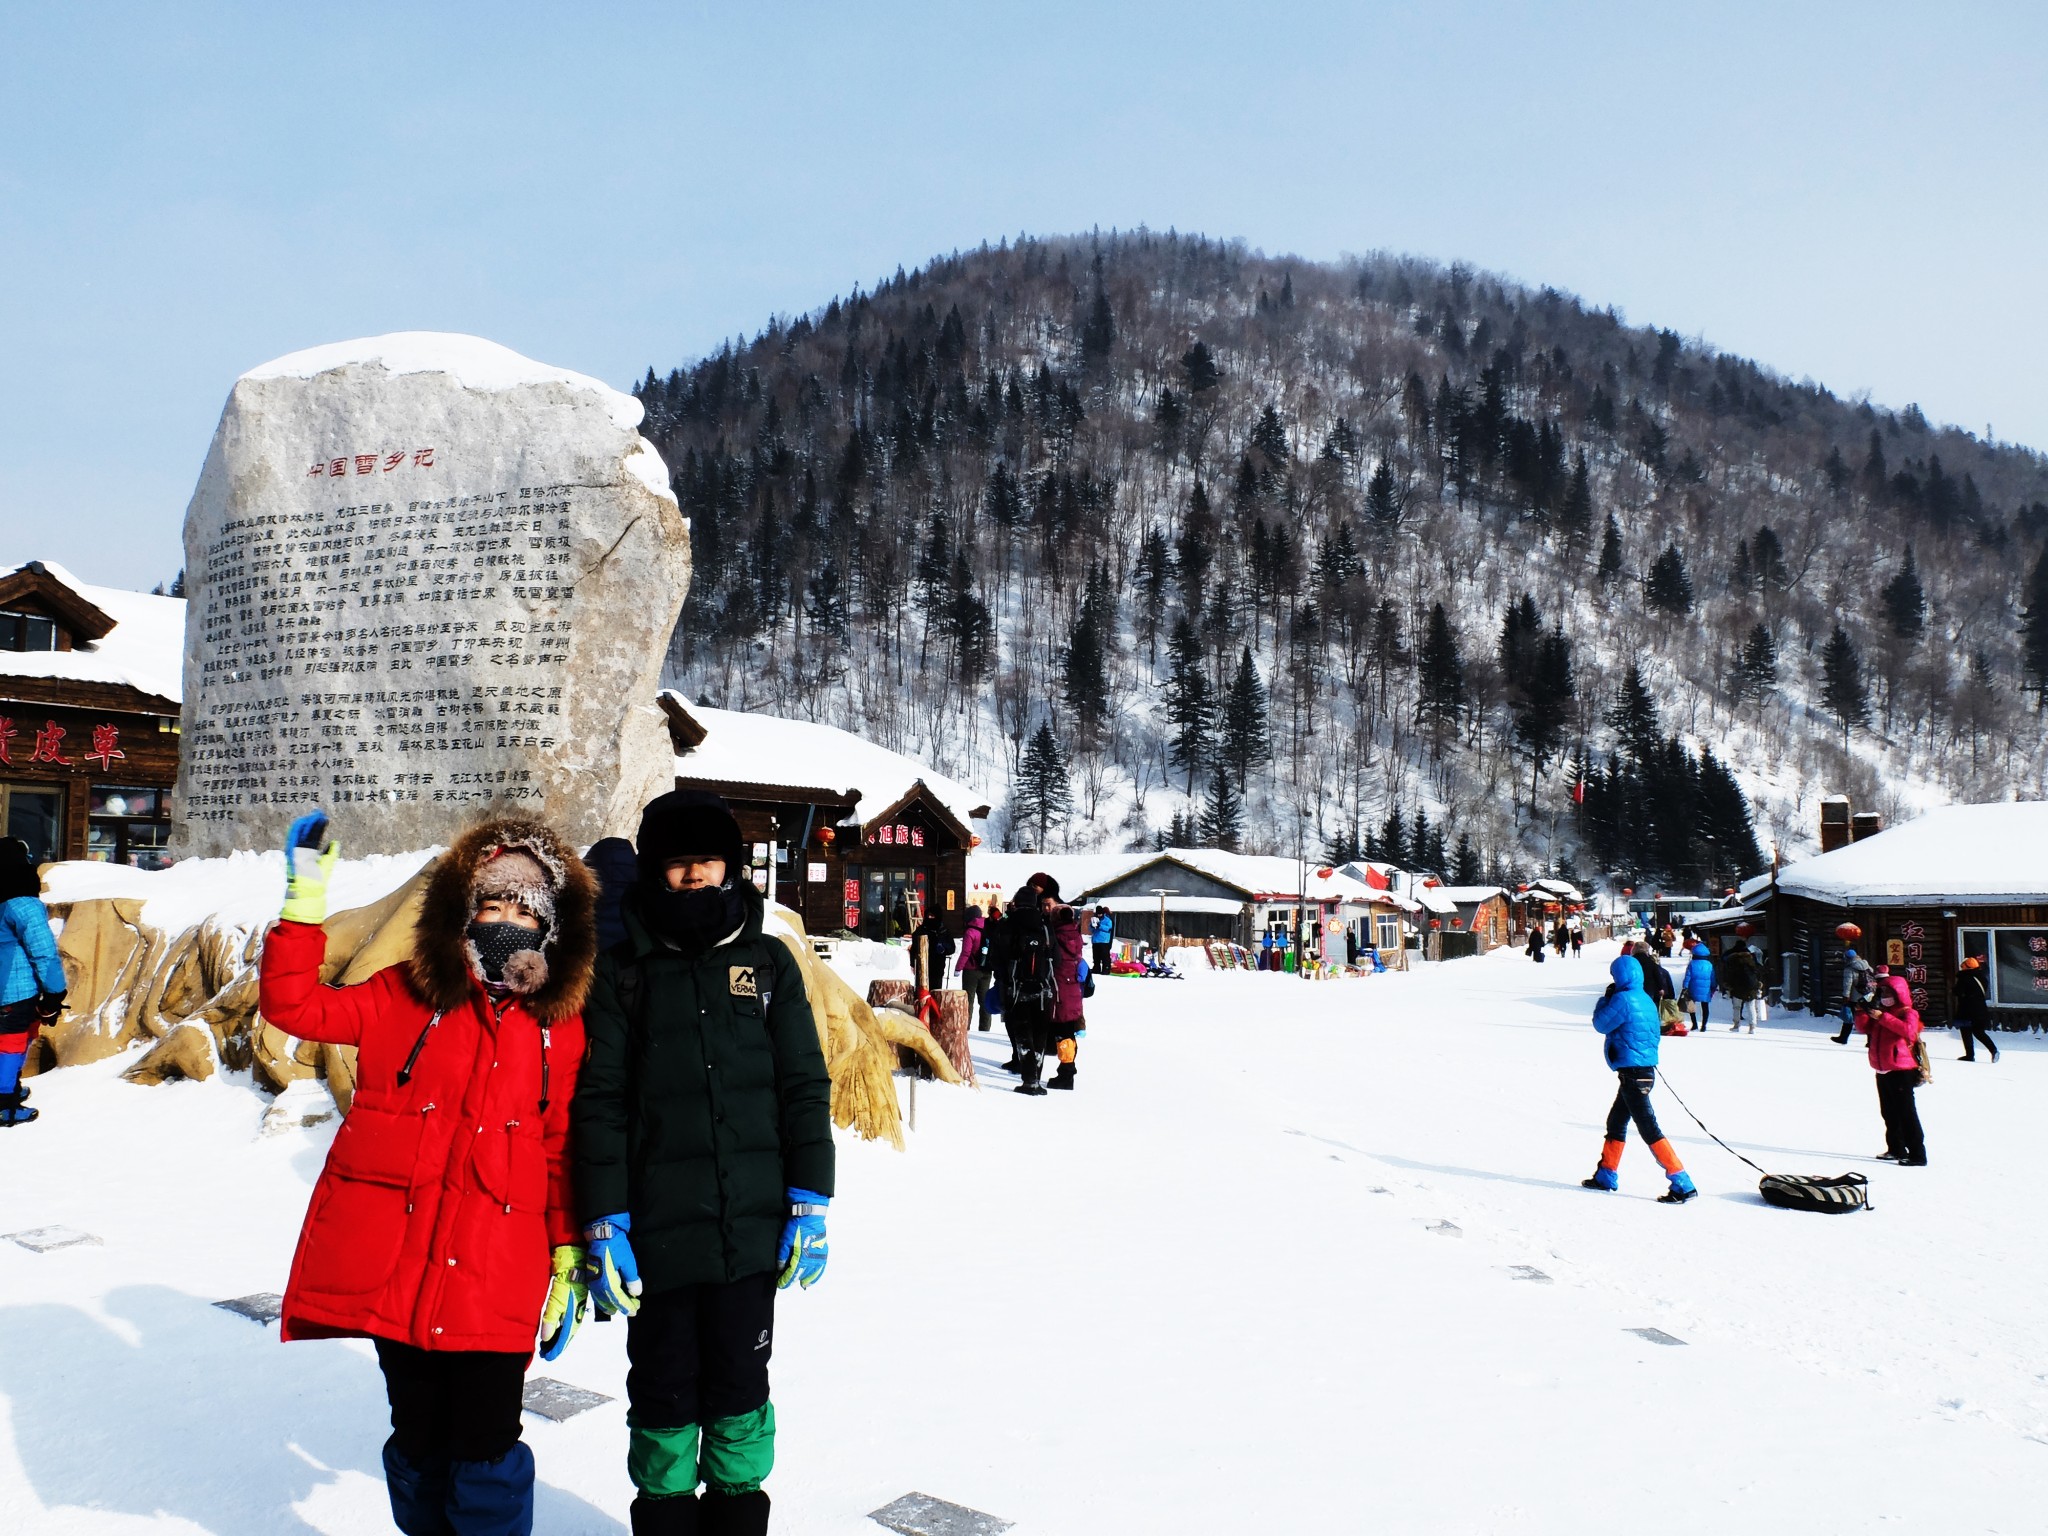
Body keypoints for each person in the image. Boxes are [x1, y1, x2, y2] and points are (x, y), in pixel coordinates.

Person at [259, 810, 597, 1536]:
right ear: (461, 912)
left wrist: (570, 1249)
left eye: (523, 910)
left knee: (486, 1446)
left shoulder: (559, 1028)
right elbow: (294, 1004)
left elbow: (561, 1144)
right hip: (399, 1268)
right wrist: (303, 904)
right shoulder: (403, 995)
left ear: (551, 930)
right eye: (490, 904)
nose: (504, 921)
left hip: (499, 1272)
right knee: (416, 1438)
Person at [573, 790, 834, 1536]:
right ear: (656, 871)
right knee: (661, 1395)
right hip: (654, 1235)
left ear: (731, 866)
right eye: (678, 865)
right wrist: (603, 1217)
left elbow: (802, 1084)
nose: (693, 877)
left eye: (706, 862)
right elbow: (601, 1100)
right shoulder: (622, 971)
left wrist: (810, 1201)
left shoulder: (770, 960)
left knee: (740, 1389)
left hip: (751, 1230)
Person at [1583, 952, 1697, 1202]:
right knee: (1616, 1122)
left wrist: (1606, 999)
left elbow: (1601, 1024)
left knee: (1649, 1128)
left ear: (1619, 976)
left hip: (1634, 1074)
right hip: (1641, 1071)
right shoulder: (1645, 999)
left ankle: (1682, 1181)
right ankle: (1606, 1174)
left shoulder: (1622, 999)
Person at [989, 872, 1083, 1094]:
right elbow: (1057, 959)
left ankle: (1029, 1078)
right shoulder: (1050, 928)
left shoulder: (1009, 924)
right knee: (1045, 1034)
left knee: (1023, 1032)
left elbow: (996, 956)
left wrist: (1003, 978)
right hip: (1049, 991)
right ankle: (1046, 1077)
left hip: (1020, 987)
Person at [0, 839, 65, 1128]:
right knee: (12, 1043)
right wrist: (54, 993)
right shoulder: (22, 902)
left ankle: (8, 1087)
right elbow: (43, 952)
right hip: (13, 991)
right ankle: (5, 1104)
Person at [1858, 972, 1927, 1165]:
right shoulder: (1882, 1013)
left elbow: (1909, 1032)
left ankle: (1917, 1154)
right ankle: (1896, 1148)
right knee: (1889, 1112)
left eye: (1888, 992)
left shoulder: (1908, 1012)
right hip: (1882, 1069)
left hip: (1901, 1069)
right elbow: (1864, 1028)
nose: (1885, 997)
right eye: (1883, 993)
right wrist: (1862, 1011)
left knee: (1906, 1113)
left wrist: (1883, 1017)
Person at [958, 899, 997, 1032]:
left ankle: (966, 1029)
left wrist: (958, 968)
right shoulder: (989, 927)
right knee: (984, 1001)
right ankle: (985, 1030)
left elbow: (966, 952)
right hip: (986, 970)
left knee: (968, 1001)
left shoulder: (970, 931)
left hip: (971, 970)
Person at [1953, 956, 1999, 1062]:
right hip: (1980, 1009)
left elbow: (1958, 992)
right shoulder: (1981, 978)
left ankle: (1970, 1055)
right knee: (1979, 1032)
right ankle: (1993, 1050)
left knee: (1965, 1031)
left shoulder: (1964, 978)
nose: (1961, 968)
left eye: (1963, 966)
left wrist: (1954, 990)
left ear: (1967, 967)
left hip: (1966, 1008)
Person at [1832, 946, 1876, 1044]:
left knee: (1849, 1017)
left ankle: (1843, 1038)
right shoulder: (1867, 966)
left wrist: (1845, 996)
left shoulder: (1849, 968)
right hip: (1869, 995)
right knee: (1870, 1016)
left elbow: (1847, 984)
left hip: (1855, 998)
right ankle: (1871, 1041)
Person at [1719, 941, 1763, 1033]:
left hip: (1737, 985)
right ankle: (1752, 1027)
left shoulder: (1732, 959)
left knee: (1737, 1007)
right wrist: (1758, 984)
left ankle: (1736, 1025)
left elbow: (1729, 973)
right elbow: (1758, 971)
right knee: (1751, 1006)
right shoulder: (1751, 958)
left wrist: (1727, 985)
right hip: (1751, 985)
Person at [908, 907, 955, 993]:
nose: (929, 918)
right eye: (928, 916)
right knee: (922, 994)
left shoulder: (943, 931)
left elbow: (952, 948)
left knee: (935, 994)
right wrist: (912, 964)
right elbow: (913, 949)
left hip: (937, 968)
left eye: (932, 916)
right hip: (922, 968)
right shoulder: (921, 931)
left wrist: (944, 948)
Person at [1682, 942, 1716, 1029]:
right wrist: (1713, 986)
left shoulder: (1692, 963)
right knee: (1705, 1006)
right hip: (1706, 988)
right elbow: (1712, 977)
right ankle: (1704, 1025)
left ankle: (1694, 1024)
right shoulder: (1709, 964)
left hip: (1693, 987)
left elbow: (1688, 976)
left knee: (1691, 1005)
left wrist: (1685, 986)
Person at [1089, 905, 1115, 976]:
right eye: (1098, 914)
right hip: (1095, 940)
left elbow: (1109, 928)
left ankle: (1106, 969)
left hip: (1104, 941)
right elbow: (1090, 929)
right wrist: (1092, 926)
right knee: (1096, 956)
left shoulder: (1107, 920)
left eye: (1100, 914)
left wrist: (1100, 926)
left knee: (1105, 956)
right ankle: (1096, 968)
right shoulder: (1094, 919)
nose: (1099, 915)